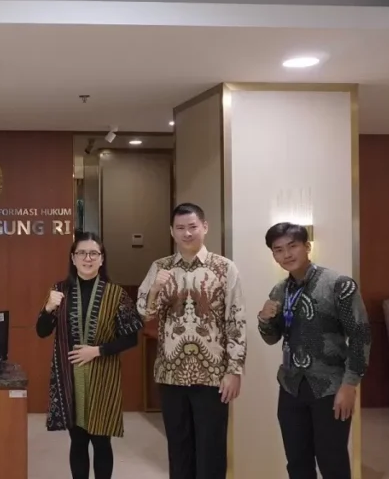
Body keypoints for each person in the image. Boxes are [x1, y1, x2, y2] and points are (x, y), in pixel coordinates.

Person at [137, 203, 246, 479]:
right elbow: (144, 314)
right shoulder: (160, 267)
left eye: (193, 227)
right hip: (170, 373)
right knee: (179, 449)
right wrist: (156, 288)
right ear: (172, 231)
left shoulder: (224, 268)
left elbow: (236, 320)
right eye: (180, 228)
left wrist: (234, 370)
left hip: (213, 376)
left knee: (212, 450)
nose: (187, 233)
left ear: (205, 227)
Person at [258, 222, 371, 479]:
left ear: (307, 247)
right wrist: (264, 319)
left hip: (330, 387)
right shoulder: (280, 290)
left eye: (292, 246)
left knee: (332, 461)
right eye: (278, 250)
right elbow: (272, 339)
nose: (286, 254)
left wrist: (349, 385)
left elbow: (361, 335)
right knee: (297, 462)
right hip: (291, 386)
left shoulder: (339, 285)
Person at [37, 232, 142, 479]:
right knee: (78, 440)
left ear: (102, 259)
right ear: (73, 258)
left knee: (101, 441)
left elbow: (131, 337)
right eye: (82, 253)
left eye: (94, 253)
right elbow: (42, 331)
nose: (87, 258)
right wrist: (48, 308)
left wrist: (97, 351)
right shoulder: (59, 291)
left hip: (103, 376)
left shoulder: (116, 294)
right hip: (70, 377)